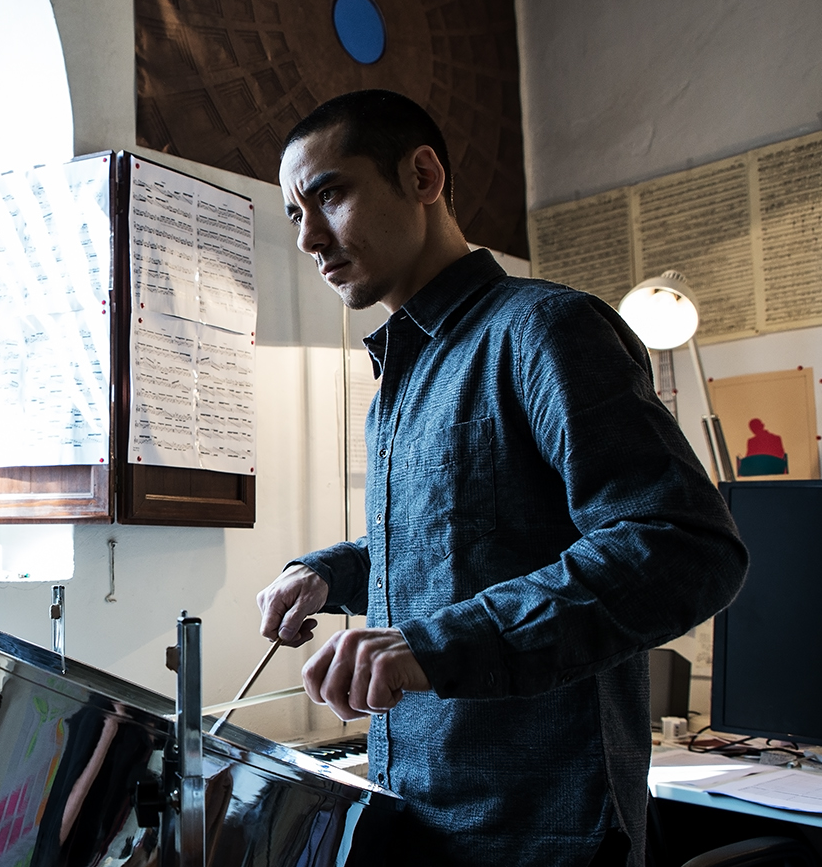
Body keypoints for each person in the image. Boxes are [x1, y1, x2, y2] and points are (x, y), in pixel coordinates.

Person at [256, 89, 747, 867]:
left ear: (422, 177)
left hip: (541, 833)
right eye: (294, 215)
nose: (310, 238)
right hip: (421, 817)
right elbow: (454, 544)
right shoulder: (397, 388)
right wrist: (330, 573)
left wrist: (436, 647)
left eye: (331, 195)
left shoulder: (547, 329)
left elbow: (683, 546)